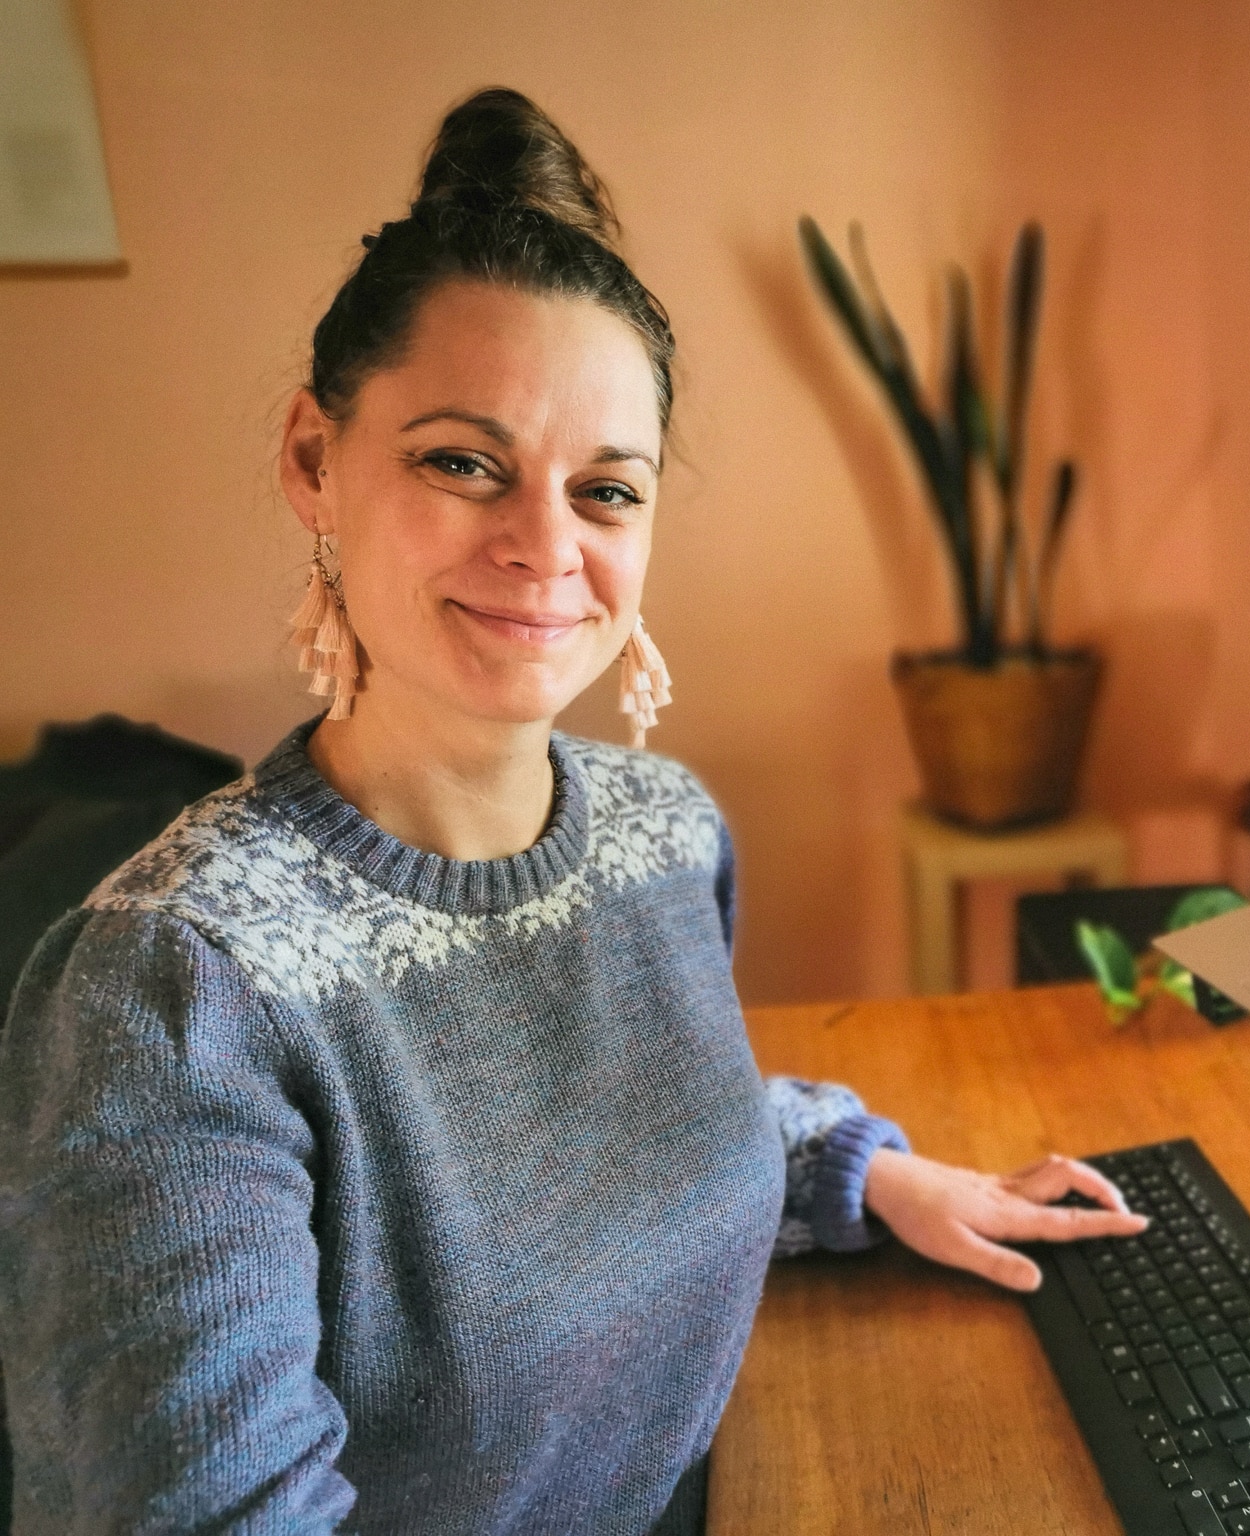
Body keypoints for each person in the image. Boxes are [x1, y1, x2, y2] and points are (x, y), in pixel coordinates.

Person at [0, 88, 1145, 1534]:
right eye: (462, 462)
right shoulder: (178, 993)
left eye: (606, 490)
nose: (546, 546)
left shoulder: (666, 831)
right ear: (311, 460)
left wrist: (875, 1173)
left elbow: (649, 1137)